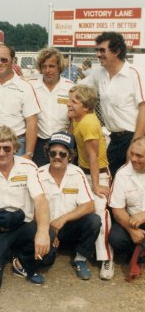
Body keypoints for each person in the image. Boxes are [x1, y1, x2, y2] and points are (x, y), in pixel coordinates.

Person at [0, 125, 54, 294]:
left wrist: (42, 232)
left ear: (15, 148)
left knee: (49, 243)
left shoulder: (28, 166)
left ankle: (20, 261)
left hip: (22, 227)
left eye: (6, 148)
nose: (1, 153)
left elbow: (41, 201)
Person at [38, 131, 101, 280]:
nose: (57, 157)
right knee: (45, 262)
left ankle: (80, 259)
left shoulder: (77, 173)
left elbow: (90, 205)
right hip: (46, 227)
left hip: (69, 226)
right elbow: (32, 209)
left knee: (94, 220)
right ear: (48, 154)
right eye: (53, 153)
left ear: (71, 155)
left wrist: (64, 219)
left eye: (63, 154)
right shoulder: (38, 174)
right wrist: (47, 230)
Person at [82, 31, 145, 179]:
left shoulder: (135, 74)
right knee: (113, 180)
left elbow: (143, 110)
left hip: (134, 137)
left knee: (134, 182)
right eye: (97, 50)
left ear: (116, 51)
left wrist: (135, 144)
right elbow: (79, 89)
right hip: (114, 138)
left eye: (102, 50)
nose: (98, 54)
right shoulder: (99, 73)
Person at [67, 85, 114, 280]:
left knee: (100, 214)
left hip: (98, 173)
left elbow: (93, 156)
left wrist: (96, 184)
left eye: (74, 102)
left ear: (86, 106)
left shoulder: (88, 123)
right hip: (84, 172)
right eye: (69, 100)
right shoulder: (78, 119)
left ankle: (107, 258)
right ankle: (84, 251)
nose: (68, 104)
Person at [0, 43, 40, 158]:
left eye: (4, 60)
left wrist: (28, 153)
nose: (0, 63)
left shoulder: (25, 87)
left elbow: (31, 122)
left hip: (16, 145)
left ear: (13, 60)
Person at [28, 48, 74, 166]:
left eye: (52, 66)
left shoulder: (70, 87)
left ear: (59, 67)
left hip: (63, 141)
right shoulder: (31, 85)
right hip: (39, 141)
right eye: (44, 66)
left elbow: (74, 118)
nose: (47, 70)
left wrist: (69, 138)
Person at [109, 137, 145, 261]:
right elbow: (117, 209)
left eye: (139, 156)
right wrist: (132, 231)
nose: (133, 159)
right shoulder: (122, 173)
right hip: (131, 220)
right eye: (132, 154)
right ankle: (137, 252)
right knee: (116, 238)